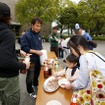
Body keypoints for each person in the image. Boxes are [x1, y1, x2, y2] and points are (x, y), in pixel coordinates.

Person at [0, 2, 30, 105]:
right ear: (8, 17)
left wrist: (17, 51)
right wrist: (24, 65)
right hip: (8, 79)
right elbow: (6, 61)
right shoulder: (7, 33)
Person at [20, 17, 43, 99]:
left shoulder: (38, 35)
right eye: (37, 26)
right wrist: (36, 51)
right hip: (31, 60)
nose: (38, 28)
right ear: (32, 25)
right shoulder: (26, 35)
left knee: (37, 74)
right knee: (30, 76)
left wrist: (42, 51)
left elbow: (40, 46)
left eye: (40, 26)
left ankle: (35, 84)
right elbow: (24, 48)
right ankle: (30, 91)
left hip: (38, 59)